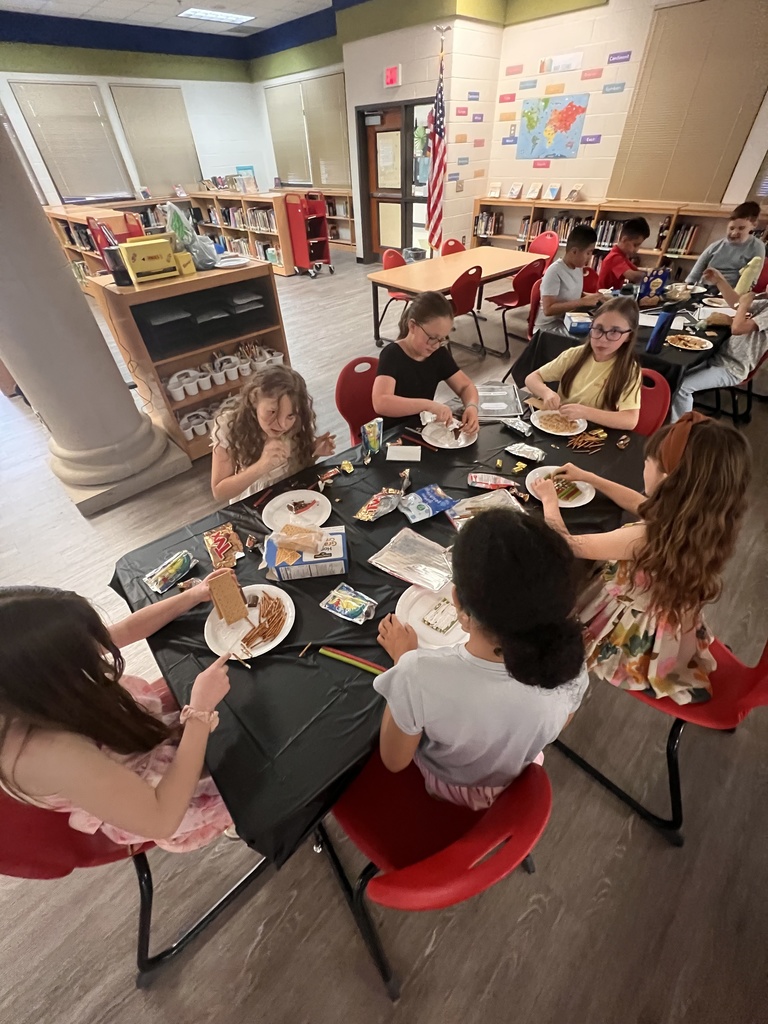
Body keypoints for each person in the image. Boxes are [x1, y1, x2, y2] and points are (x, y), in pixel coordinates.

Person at [0, 577, 236, 851]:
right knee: (259, 768)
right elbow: (162, 818)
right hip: (161, 800)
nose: (101, 648)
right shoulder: (44, 753)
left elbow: (125, 629)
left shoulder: (24, 674)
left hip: (133, 736)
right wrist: (199, 713)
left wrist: (193, 595)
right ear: (54, 672)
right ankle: (243, 821)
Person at [373, 510, 589, 810]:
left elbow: (394, 761)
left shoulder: (417, 674)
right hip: (517, 772)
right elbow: (557, 723)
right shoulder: (571, 658)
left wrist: (404, 659)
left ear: (458, 603)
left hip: (450, 786)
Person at [531, 413, 751, 705]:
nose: (644, 464)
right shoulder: (696, 522)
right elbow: (639, 502)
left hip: (631, 635)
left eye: (649, 461)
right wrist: (590, 478)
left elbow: (568, 544)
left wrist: (548, 499)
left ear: (667, 479)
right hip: (666, 613)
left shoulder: (643, 539)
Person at [210, 365, 336, 503]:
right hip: (255, 501)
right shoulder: (229, 425)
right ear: (253, 399)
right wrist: (261, 466)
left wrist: (313, 451)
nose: (282, 424)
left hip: (290, 497)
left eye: (290, 415)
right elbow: (219, 493)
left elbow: (298, 469)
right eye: (272, 412)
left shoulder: (298, 422)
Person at [525, 297, 643, 431]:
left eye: (614, 332)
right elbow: (531, 378)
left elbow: (630, 420)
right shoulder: (574, 355)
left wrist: (585, 412)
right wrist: (546, 393)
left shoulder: (628, 370)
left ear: (629, 336)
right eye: (598, 329)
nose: (603, 339)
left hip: (594, 434)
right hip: (561, 425)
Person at [371, 291, 480, 432]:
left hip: (423, 429)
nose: (435, 345)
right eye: (432, 337)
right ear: (412, 326)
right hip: (395, 434)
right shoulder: (392, 354)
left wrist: (472, 407)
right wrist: (427, 405)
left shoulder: (438, 354)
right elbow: (381, 402)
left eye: (441, 339)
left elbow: (466, 386)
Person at [670, 282, 768, 421]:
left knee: (683, 388)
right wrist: (719, 280)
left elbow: (737, 328)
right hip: (719, 357)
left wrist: (744, 305)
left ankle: (681, 432)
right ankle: (669, 414)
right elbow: (735, 303)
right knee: (676, 374)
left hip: (732, 368)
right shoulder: (765, 304)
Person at [535, 224, 600, 336]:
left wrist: (596, 297)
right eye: (588, 253)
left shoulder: (578, 268)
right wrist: (582, 302)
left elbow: (573, 293)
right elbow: (548, 309)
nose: (590, 257)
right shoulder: (554, 271)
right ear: (574, 251)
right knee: (590, 338)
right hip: (548, 328)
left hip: (567, 319)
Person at [686, 202, 765, 288]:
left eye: (741, 228)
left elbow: (751, 280)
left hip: (731, 291)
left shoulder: (757, 246)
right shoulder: (715, 246)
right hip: (705, 288)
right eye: (731, 228)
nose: (734, 233)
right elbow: (694, 275)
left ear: (754, 225)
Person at [597, 217, 651, 291]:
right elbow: (633, 276)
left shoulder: (622, 255)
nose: (636, 250)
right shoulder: (614, 257)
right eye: (635, 245)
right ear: (624, 239)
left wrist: (650, 272)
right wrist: (652, 276)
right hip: (604, 299)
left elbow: (636, 270)